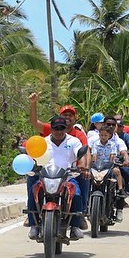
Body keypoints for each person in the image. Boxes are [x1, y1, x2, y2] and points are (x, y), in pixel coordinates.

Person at [27, 92, 90, 231]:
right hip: (46, 176)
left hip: (67, 177)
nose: (59, 131)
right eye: (56, 128)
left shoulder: (75, 139)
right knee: (33, 190)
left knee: (77, 194)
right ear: (52, 128)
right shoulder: (44, 140)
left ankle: (76, 223)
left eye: (62, 128)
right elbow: (34, 151)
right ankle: (33, 222)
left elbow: (83, 153)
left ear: (73, 120)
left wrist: (83, 166)